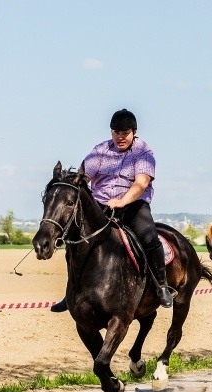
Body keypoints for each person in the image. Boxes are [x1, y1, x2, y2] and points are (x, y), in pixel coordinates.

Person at [51, 108, 173, 312]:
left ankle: (161, 286)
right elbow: (85, 176)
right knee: (74, 241)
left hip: (133, 206)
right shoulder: (100, 151)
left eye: (124, 133)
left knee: (150, 238)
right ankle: (70, 291)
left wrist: (123, 201)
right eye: (116, 132)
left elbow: (141, 183)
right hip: (101, 206)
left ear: (134, 132)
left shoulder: (144, 152)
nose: (120, 137)